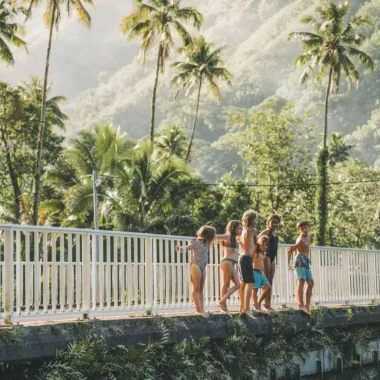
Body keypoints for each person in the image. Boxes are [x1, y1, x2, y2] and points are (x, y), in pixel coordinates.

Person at [176, 225, 216, 318]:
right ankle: (198, 310)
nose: (213, 239)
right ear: (208, 235)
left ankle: (202, 309)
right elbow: (187, 248)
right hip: (196, 266)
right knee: (196, 288)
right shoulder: (197, 242)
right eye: (213, 236)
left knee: (201, 289)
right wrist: (179, 249)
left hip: (203, 266)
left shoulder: (207, 244)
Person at [287, 221, 314, 316]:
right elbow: (290, 250)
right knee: (301, 281)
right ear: (299, 230)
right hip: (299, 261)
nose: (305, 230)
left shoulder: (309, 236)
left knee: (310, 283)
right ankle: (300, 304)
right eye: (302, 229)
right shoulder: (300, 240)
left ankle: (307, 305)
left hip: (306, 261)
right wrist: (288, 263)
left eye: (306, 227)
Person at [216, 220, 243, 314]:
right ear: (233, 228)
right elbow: (216, 236)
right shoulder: (228, 236)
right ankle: (223, 305)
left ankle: (222, 301)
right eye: (239, 228)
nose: (241, 230)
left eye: (241, 229)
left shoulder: (236, 239)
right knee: (226, 283)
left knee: (237, 285)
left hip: (232, 263)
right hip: (227, 262)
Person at [237, 210, 258, 319]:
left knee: (243, 283)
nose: (256, 222)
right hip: (246, 258)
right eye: (255, 220)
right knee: (250, 282)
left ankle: (242, 306)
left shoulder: (243, 231)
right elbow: (257, 242)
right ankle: (246, 308)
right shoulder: (251, 230)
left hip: (242, 257)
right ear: (250, 220)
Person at [258, 214, 281, 311]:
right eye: (273, 222)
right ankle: (264, 303)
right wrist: (261, 254)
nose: (274, 224)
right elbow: (257, 240)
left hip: (272, 258)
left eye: (276, 222)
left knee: (270, 280)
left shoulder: (275, 234)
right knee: (266, 280)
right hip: (266, 257)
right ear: (268, 222)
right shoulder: (266, 231)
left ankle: (268, 303)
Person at [252, 235, 271, 311]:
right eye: (263, 244)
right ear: (259, 244)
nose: (264, 246)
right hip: (255, 271)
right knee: (255, 289)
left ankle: (259, 303)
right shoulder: (255, 252)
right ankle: (256, 305)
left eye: (266, 245)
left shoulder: (263, 253)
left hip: (261, 273)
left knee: (268, 287)